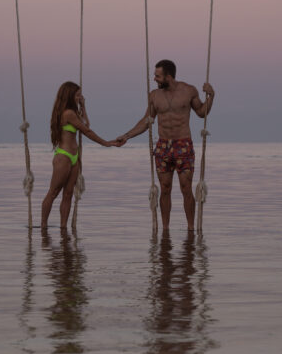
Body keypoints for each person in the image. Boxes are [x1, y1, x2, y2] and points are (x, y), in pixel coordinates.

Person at [116, 60, 214, 232]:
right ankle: (165, 230)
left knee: (186, 188)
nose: (154, 79)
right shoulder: (154, 95)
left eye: (158, 76)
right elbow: (146, 121)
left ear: (168, 76)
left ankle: (191, 229)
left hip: (183, 145)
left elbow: (201, 112)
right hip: (163, 146)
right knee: (165, 188)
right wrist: (127, 136)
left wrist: (211, 96)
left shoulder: (188, 90)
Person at [41, 81, 117, 231]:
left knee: (68, 194)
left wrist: (83, 106)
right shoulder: (68, 113)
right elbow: (87, 132)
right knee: (54, 192)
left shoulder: (73, 112)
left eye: (80, 95)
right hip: (64, 156)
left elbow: (86, 125)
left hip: (75, 158)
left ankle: (63, 228)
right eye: (77, 95)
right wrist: (106, 143)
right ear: (69, 96)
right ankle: (43, 226)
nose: (79, 97)